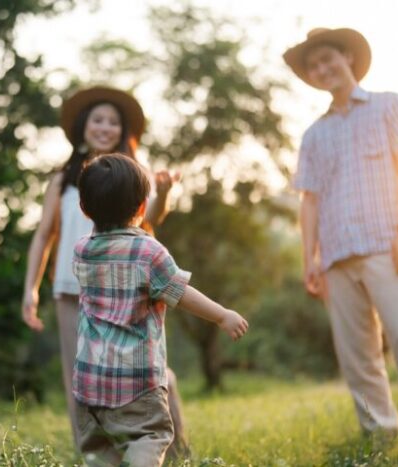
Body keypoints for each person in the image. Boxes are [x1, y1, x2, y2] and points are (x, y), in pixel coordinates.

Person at [283, 28, 398, 447]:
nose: (322, 69)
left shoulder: (390, 106)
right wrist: (311, 259)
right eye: (313, 66)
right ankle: (379, 434)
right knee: (358, 357)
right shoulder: (313, 135)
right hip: (336, 256)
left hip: (386, 243)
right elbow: (310, 202)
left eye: (327, 59)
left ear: (347, 56)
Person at [21, 86, 187, 455]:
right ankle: (97, 455)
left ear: (123, 131)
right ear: (83, 127)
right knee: (80, 378)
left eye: (113, 122)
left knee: (149, 369)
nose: (105, 127)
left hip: (126, 285)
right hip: (72, 288)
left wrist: (163, 193)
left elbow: (151, 220)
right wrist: (30, 289)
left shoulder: (134, 173)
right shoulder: (62, 180)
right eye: (98, 120)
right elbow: (43, 236)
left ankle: (168, 448)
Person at [73, 153, 249, 466]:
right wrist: (222, 315)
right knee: (148, 438)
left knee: (102, 453)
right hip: (137, 385)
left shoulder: (83, 251)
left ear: (84, 208)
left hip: (90, 385)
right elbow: (180, 293)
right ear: (142, 207)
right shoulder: (148, 252)